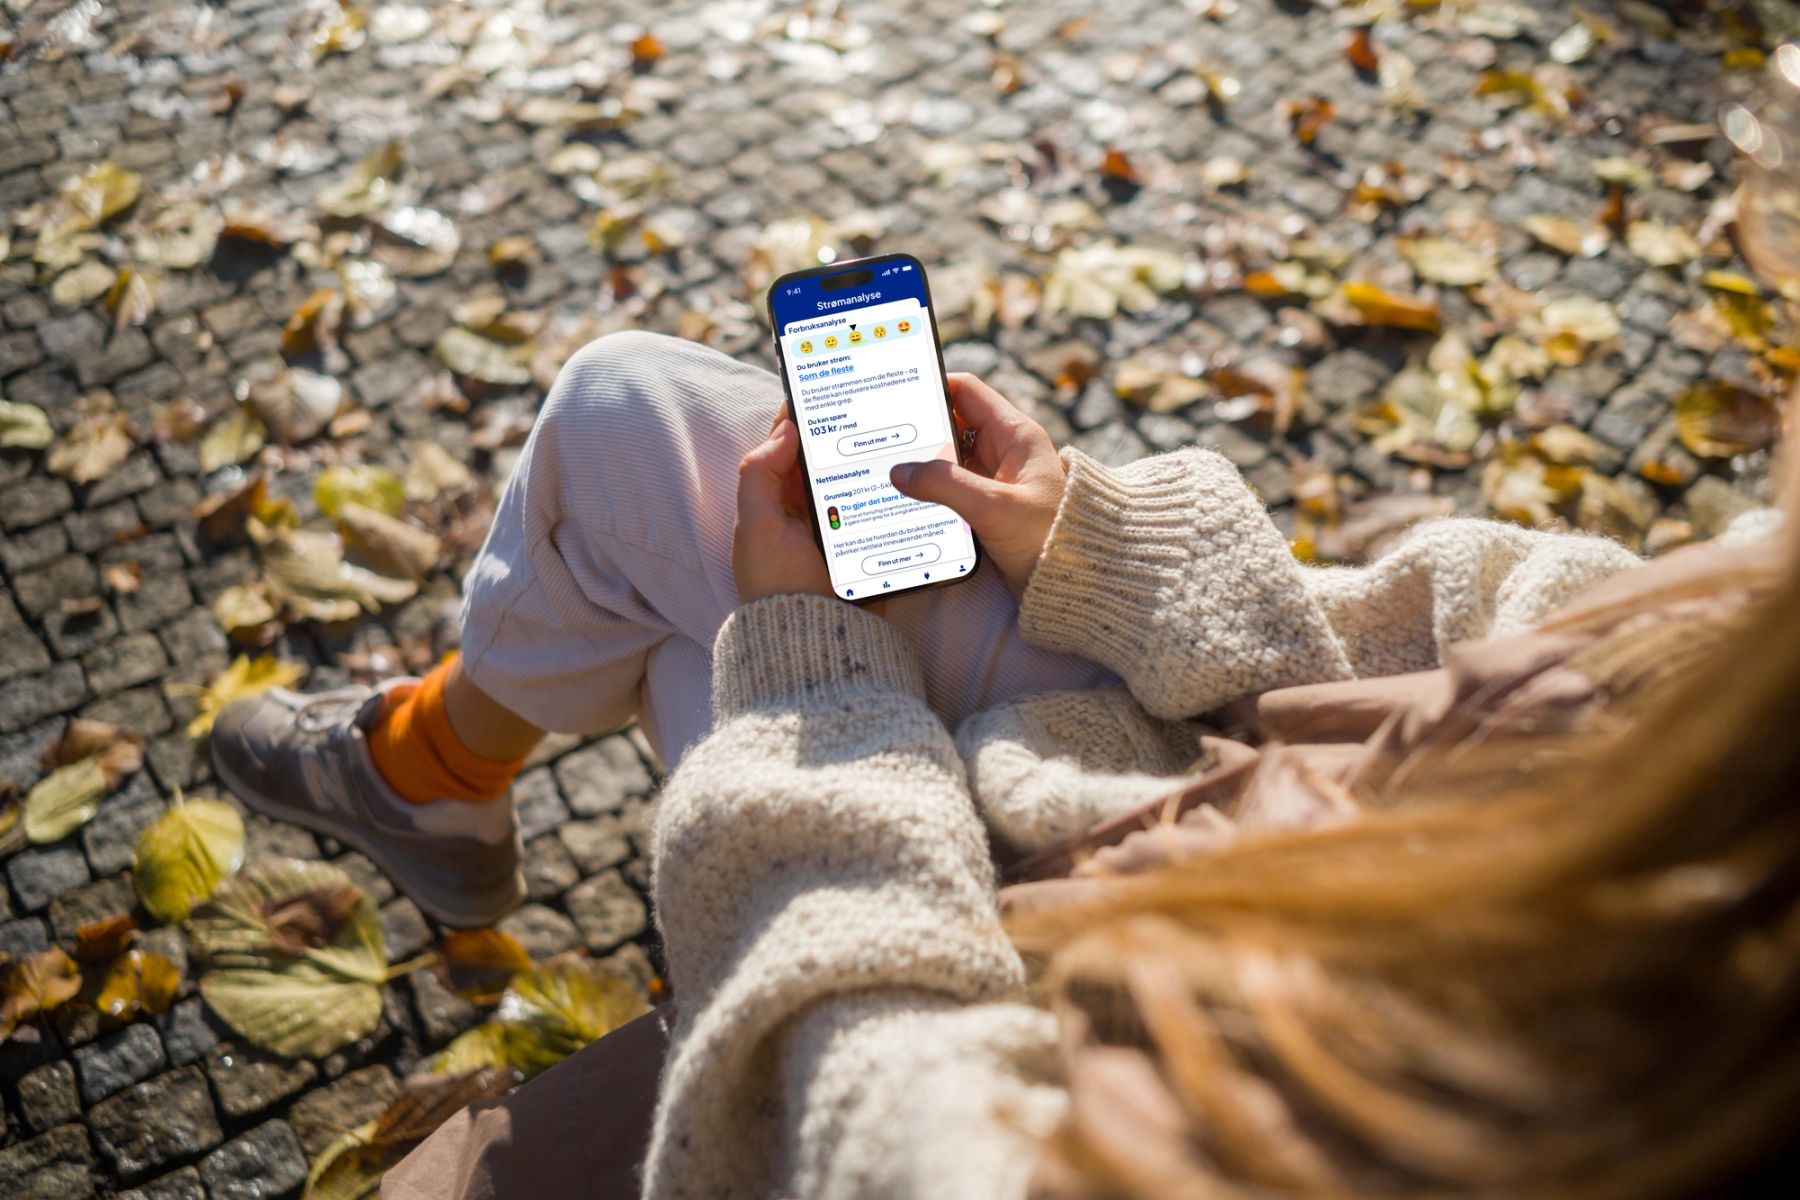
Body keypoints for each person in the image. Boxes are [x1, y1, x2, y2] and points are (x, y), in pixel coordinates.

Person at [209, 316, 1797, 1197]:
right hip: (1142, 769)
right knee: (636, 416)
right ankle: (428, 773)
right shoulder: (1755, 613)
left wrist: (819, 693)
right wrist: (1092, 547)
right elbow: (1441, 624)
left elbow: (921, 1146)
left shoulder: (1631, 1082)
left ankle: (426, 777)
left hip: (965, 967)